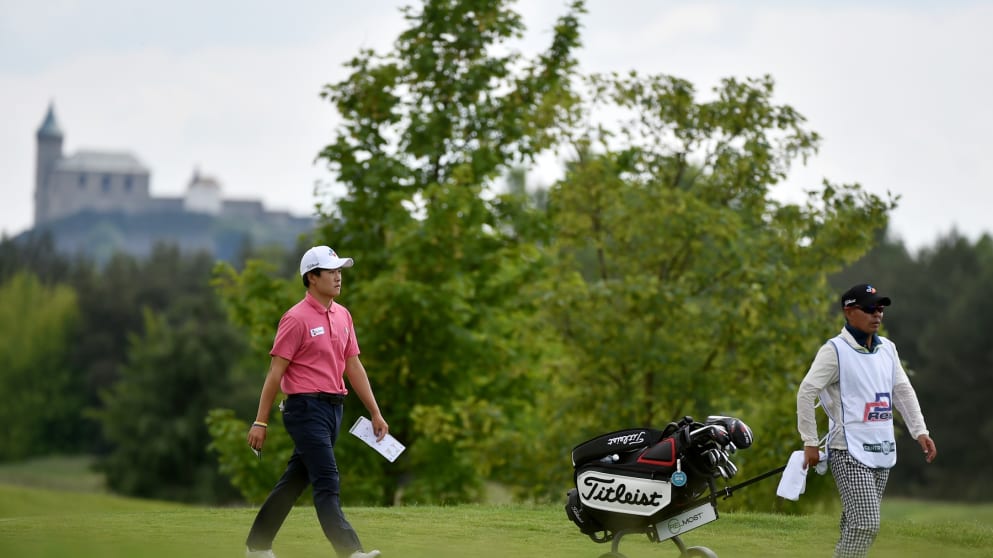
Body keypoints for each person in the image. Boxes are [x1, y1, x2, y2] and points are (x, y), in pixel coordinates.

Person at [245, 245, 389, 558]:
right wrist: (260, 420)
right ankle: (351, 551)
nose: (338, 277)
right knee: (327, 479)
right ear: (312, 277)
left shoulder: (343, 315)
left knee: (296, 480)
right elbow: (275, 373)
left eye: (340, 271)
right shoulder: (295, 319)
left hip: (333, 409)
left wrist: (375, 412)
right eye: (331, 271)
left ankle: (257, 547)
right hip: (304, 409)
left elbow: (353, 366)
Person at [797, 283, 937, 558]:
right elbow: (806, 392)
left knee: (854, 523)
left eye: (881, 309)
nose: (878, 315)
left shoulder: (888, 349)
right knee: (866, 523)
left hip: (881, 449)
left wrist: (920, 431)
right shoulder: (834, 351)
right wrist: (810, 441)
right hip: (847, 451)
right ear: (849, 312)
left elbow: (902, 391)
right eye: (870, 309)